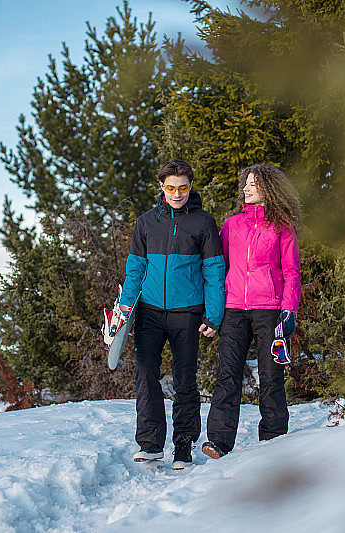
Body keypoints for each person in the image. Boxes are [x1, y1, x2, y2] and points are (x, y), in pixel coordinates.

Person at [118, 159, 225, 469]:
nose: (177, 193)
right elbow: (135, 268)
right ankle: (150, 443)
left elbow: (214, 270)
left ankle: (183, 445)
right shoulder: (146, 222)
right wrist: (125, 309)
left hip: (187, 313)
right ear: (161, 187)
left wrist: (213, 314)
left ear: (190, 187)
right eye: (170, 187)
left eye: (183, 187)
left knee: (184, 380)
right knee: (146, 374)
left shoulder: (203, 223)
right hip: (149, 312)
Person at [202, 163, 301, 459]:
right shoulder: (232, 224)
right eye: (245, 183)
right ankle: (219, 441)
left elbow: (292, 272)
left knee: (271, 375)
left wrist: (288, 311)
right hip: (234, 309)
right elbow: (219, 269)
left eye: (253, 184)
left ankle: (273, 438)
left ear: (268, 189)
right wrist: (213, 311)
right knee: (227, 374)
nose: (246, 188)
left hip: (269, 310)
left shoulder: (282, 226)